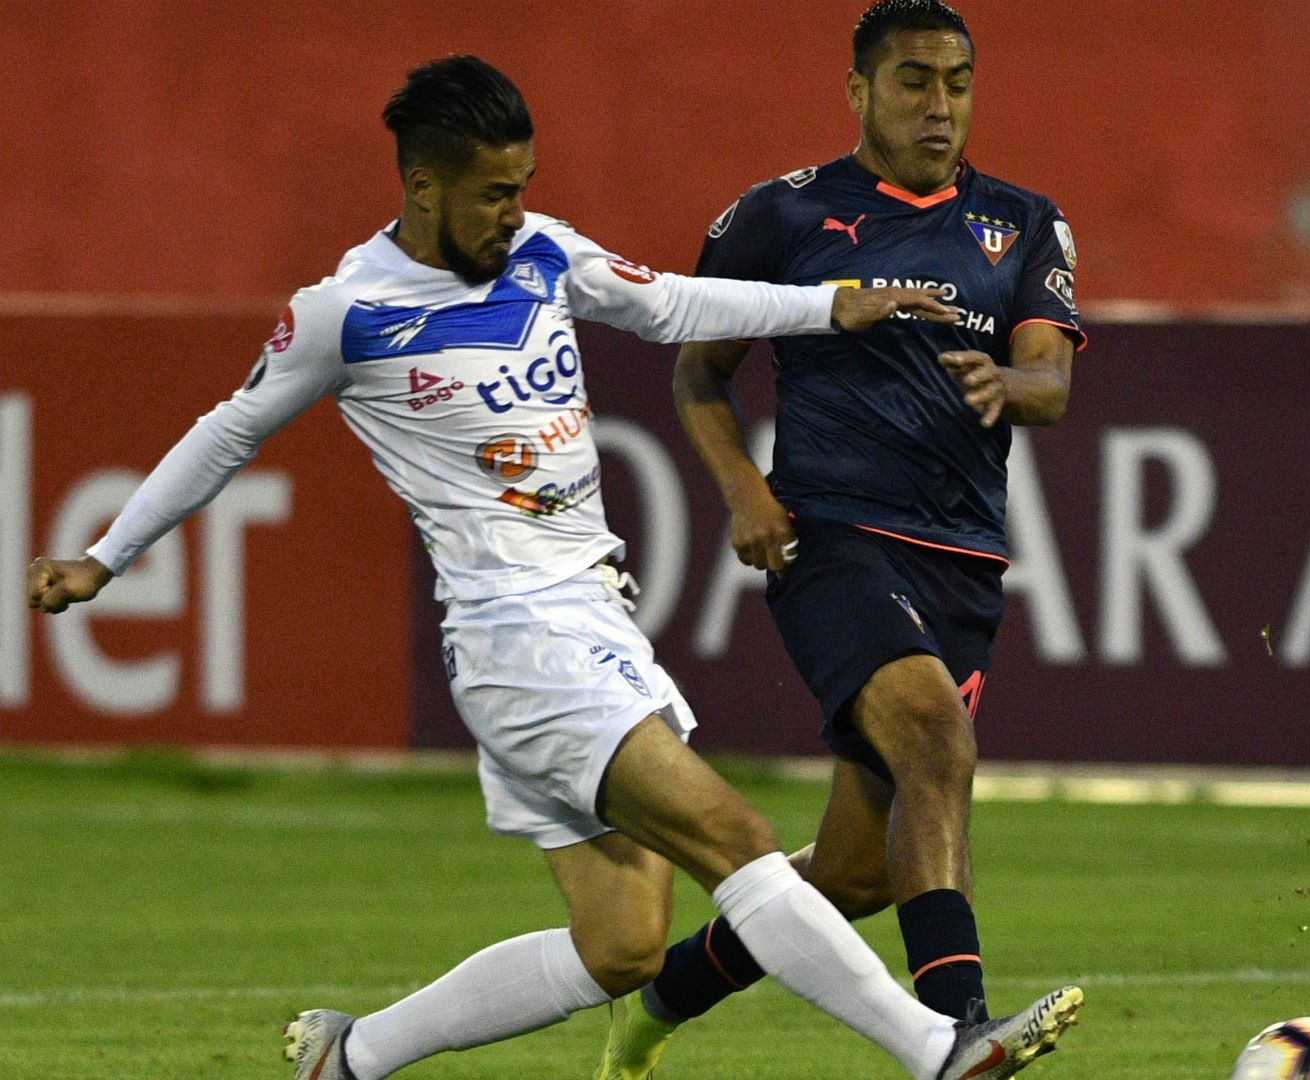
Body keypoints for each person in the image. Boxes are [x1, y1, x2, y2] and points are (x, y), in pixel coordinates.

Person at [23, 54, 1081, 1080]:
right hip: (515, 637)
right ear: (422, 187)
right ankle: (937, 1049)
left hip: (593, 618)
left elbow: (667, 305)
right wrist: (105, 558)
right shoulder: (344, 314)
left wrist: (826, 303)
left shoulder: (540, 252)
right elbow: (226, 434)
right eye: (491, 194)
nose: (511, 212)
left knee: (620, 944)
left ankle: (353, 1055)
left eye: (522, 186)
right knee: (737, 837)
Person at [597, 1, 1084, 1076]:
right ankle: (957, 1035)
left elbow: (1051, 380)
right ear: (859, 91)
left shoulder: (1025, 222)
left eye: (957, 82)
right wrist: (745, 494)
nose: (939, 105)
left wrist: (1009, 382)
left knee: (859, 873)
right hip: (832, 534)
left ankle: (660, 1001)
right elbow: (699, 372)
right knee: (936, 741)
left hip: (963, 559)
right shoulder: (781, 217)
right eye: (914, 81)